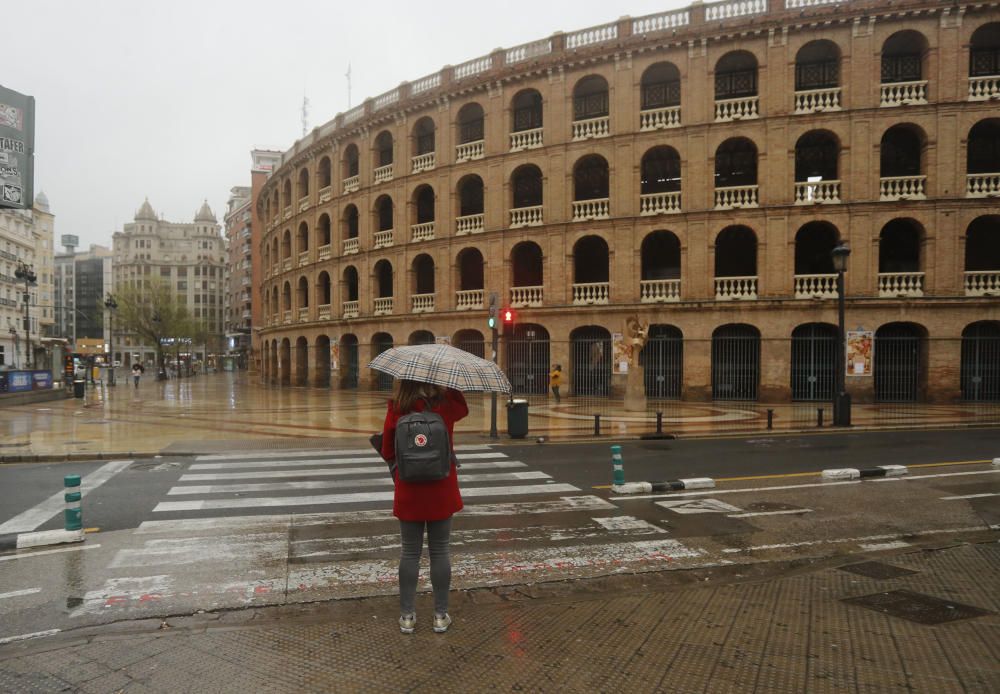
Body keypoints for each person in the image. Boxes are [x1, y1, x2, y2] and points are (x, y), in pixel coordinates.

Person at [380, 379, 468, 635]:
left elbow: (387, 450)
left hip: (409, 490)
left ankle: (407, 616)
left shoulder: (397, 406)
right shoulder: (445, 405)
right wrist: (450, 383)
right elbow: (463, 409)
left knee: (410, 553)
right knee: (440, 551)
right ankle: (440, 616)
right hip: (441, 488)